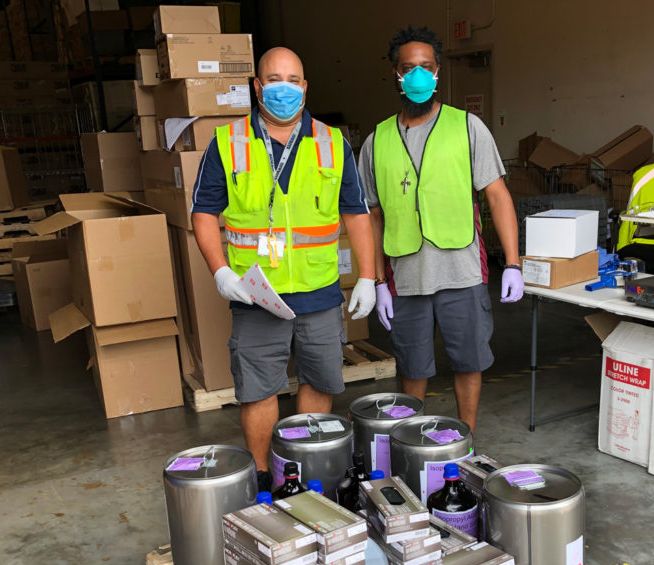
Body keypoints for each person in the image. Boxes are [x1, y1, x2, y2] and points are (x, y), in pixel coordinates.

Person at [191, 47, 376, 491]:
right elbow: (203, 213)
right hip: (256, 295)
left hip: (318, 291)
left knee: (319, 380)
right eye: (273, 79)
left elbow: (356, 213)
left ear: (305, 87)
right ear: (257, 87)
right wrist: (220, 271)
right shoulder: (227, 143)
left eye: (293, 80)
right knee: (258, 389)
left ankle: (306, 469)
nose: (283, 89)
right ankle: (263, 477)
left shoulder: (332, 142)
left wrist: (369, 275)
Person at [358, 26, 522, 433]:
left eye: (426, 67)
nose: (417, 75)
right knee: (412, 366)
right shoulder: (375, 142)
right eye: (408, 68)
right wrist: (376, 279)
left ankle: (465, 439)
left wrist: (515, 263)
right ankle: (410, 441)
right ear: (395, 74)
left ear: (437, 74)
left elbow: (497, 196)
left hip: (461, 272)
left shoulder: (467, 128)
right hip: (406, 276)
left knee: (469, 360)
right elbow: (372, 217)